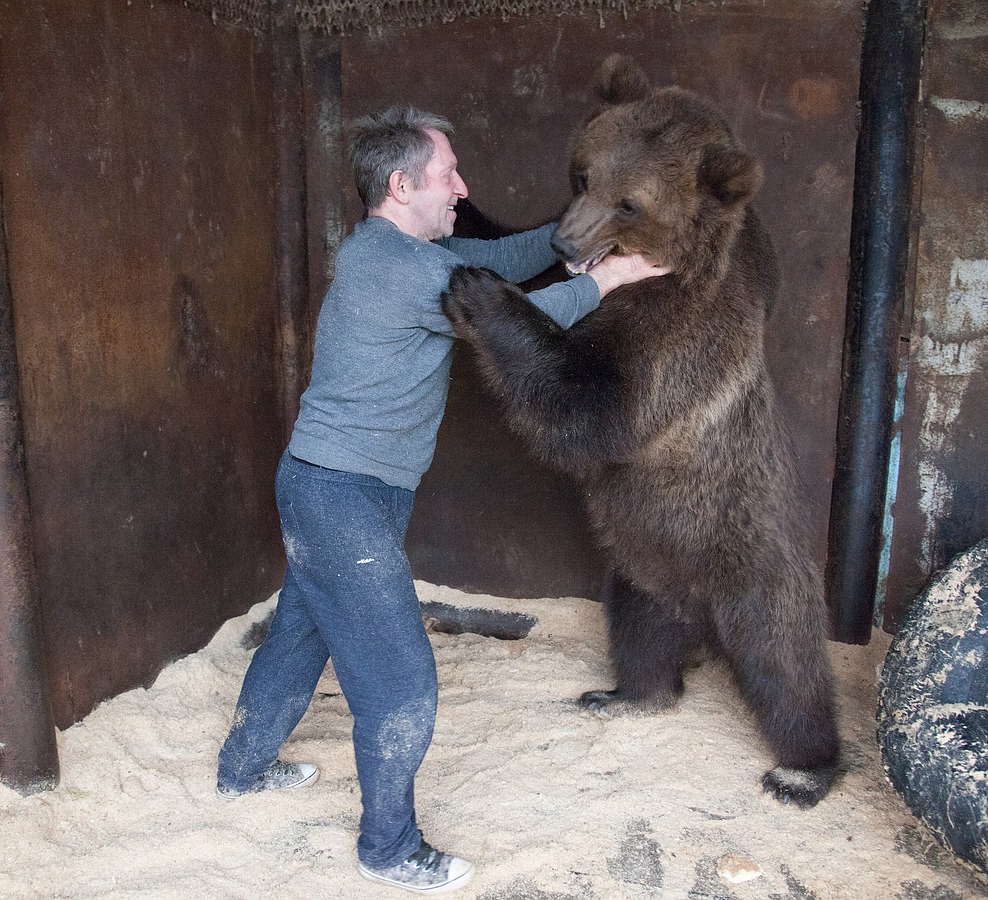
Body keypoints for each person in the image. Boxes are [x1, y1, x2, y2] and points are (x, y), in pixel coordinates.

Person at [217, 105, 665, 895]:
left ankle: (242, 770)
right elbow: (518, 321)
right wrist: (611, 276)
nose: (461, 187)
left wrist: (572, 234)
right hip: (339, 496)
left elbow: (497, 257)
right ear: (400, 184)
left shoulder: (407, 249)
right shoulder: (404, 269)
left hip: (348, 488)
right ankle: (388, 849)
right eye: (448, 173)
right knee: (401, 683)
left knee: (300, 633)